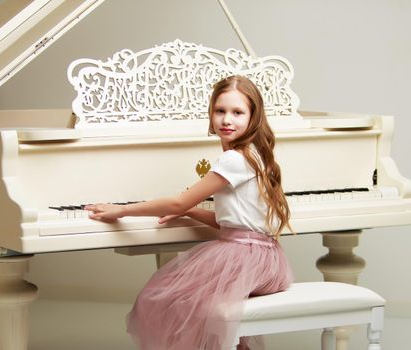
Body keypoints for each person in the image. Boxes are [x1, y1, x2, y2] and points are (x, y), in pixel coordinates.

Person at [85, 75, 294, 350]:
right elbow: (229, 222)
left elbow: (177, 203)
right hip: (266, 259)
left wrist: (122, 210)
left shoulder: (234, 158)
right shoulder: (255, 153)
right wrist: (192, 213)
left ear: (253, 117)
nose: (226, 120)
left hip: (244, 258)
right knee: (201, 305)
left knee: (159, 297)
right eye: (220, 111)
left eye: (237, 112)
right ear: (210, 113)